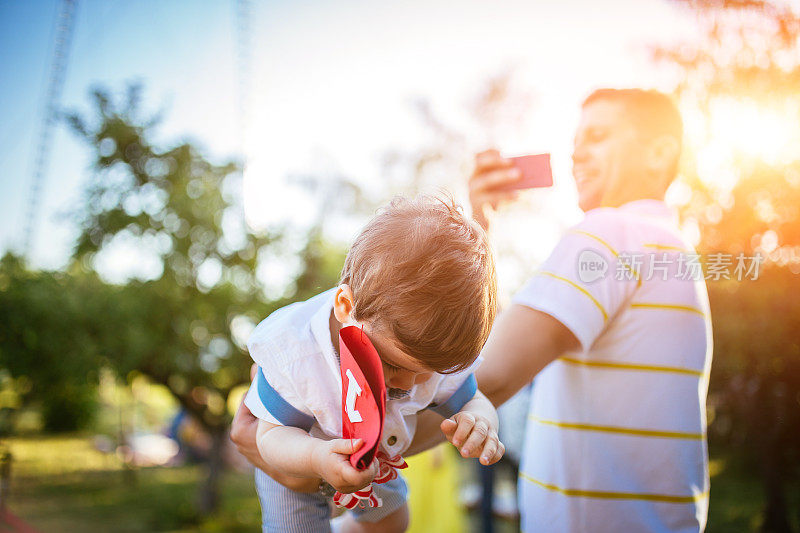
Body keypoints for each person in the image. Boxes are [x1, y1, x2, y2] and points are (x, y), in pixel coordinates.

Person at [469, 88, 712, 532]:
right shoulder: (671, 250)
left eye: (597, 136)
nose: (577, 155)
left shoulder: (612, 231)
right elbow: (506, 340)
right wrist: (483, 227)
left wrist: (338, 450)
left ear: (659, 152)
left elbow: (483, 376)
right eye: (575, 143)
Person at [236, 195, 505, 533]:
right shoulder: (297, 353)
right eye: (393, 365)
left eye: (428, 373)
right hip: (298, 456)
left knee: (392, 524)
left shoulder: (424, 354)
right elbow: (270, 437)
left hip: (370, 454)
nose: (408, 384)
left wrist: (481, 420)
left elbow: (473, 398)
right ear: (347, 307)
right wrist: (318, 458)